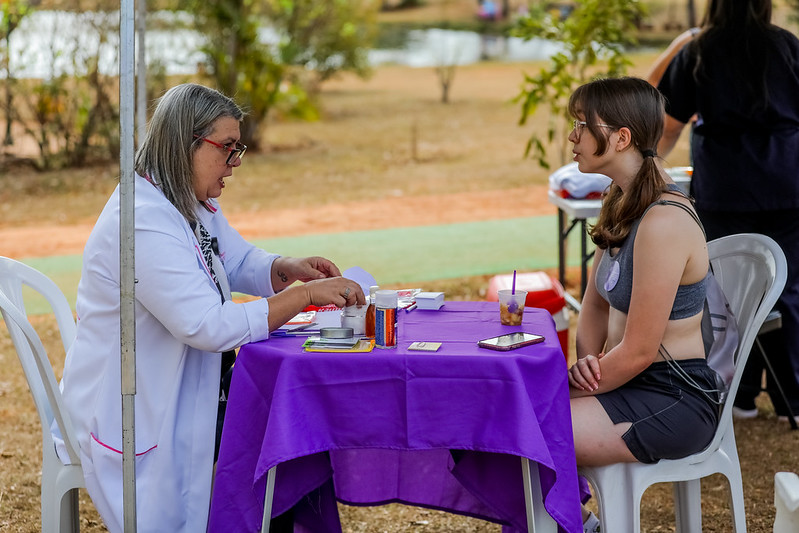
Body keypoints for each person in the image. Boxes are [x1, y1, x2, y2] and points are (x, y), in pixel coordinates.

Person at [54, 83, 365, 532]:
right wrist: (302, 297)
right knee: (274, 444)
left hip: (190, 388)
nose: (234, 166)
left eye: (238, 150)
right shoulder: (141, 219)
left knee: (288, 435)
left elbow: (233, 258)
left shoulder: (184, 199)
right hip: (140, 407)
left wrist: (287, 267)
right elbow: (207, 326)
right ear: (187, 144)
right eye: (227, 149)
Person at [565, 77, 722, 532]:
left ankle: (575, 524)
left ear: (620, 138)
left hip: (674, 397)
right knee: (510, 414)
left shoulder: (663, 222)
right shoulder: (619, 201)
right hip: (624, 382)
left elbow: (639, 351)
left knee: (523, 427)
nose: (573, 137)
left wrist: (584, 383)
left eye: (581, 125)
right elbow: (593, 306)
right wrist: (586, 365)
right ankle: (575, 521)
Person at [656, 0, 799, 422]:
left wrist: (648, 170)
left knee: (735, 292)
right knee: (789, 290)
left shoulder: (699, 51)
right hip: (786, 180)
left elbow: (668, 123)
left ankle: (741, 395)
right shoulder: (787, 45)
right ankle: (794, 400)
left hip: (726, 185)